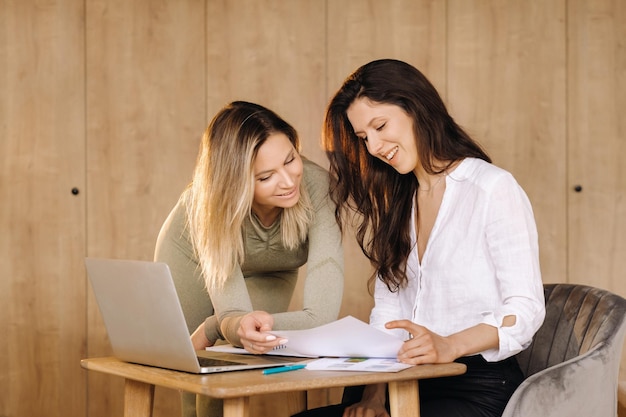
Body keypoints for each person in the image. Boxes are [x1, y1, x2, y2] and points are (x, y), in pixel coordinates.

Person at [294, 59, 545, 417]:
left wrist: (449, 344)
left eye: (380, 126)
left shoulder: (491, 188)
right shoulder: (397, 203)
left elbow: (526, 307)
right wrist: (373, 397)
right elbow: (388, 317)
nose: (375, 147)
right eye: (365, 138)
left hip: (475, 386)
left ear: (415, 107)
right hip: (401, 381)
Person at [155, 101, 344, 417]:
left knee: (238, 348)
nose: (288, 181)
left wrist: (217, 325)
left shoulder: (319, 187)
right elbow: (233, 312)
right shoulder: (207, 205)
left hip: (274, 268)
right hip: (190, 258)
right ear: (236, 184)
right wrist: (227, 322)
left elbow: (321, 317)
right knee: (198, 372)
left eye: (290, 159)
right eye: (266, 176)